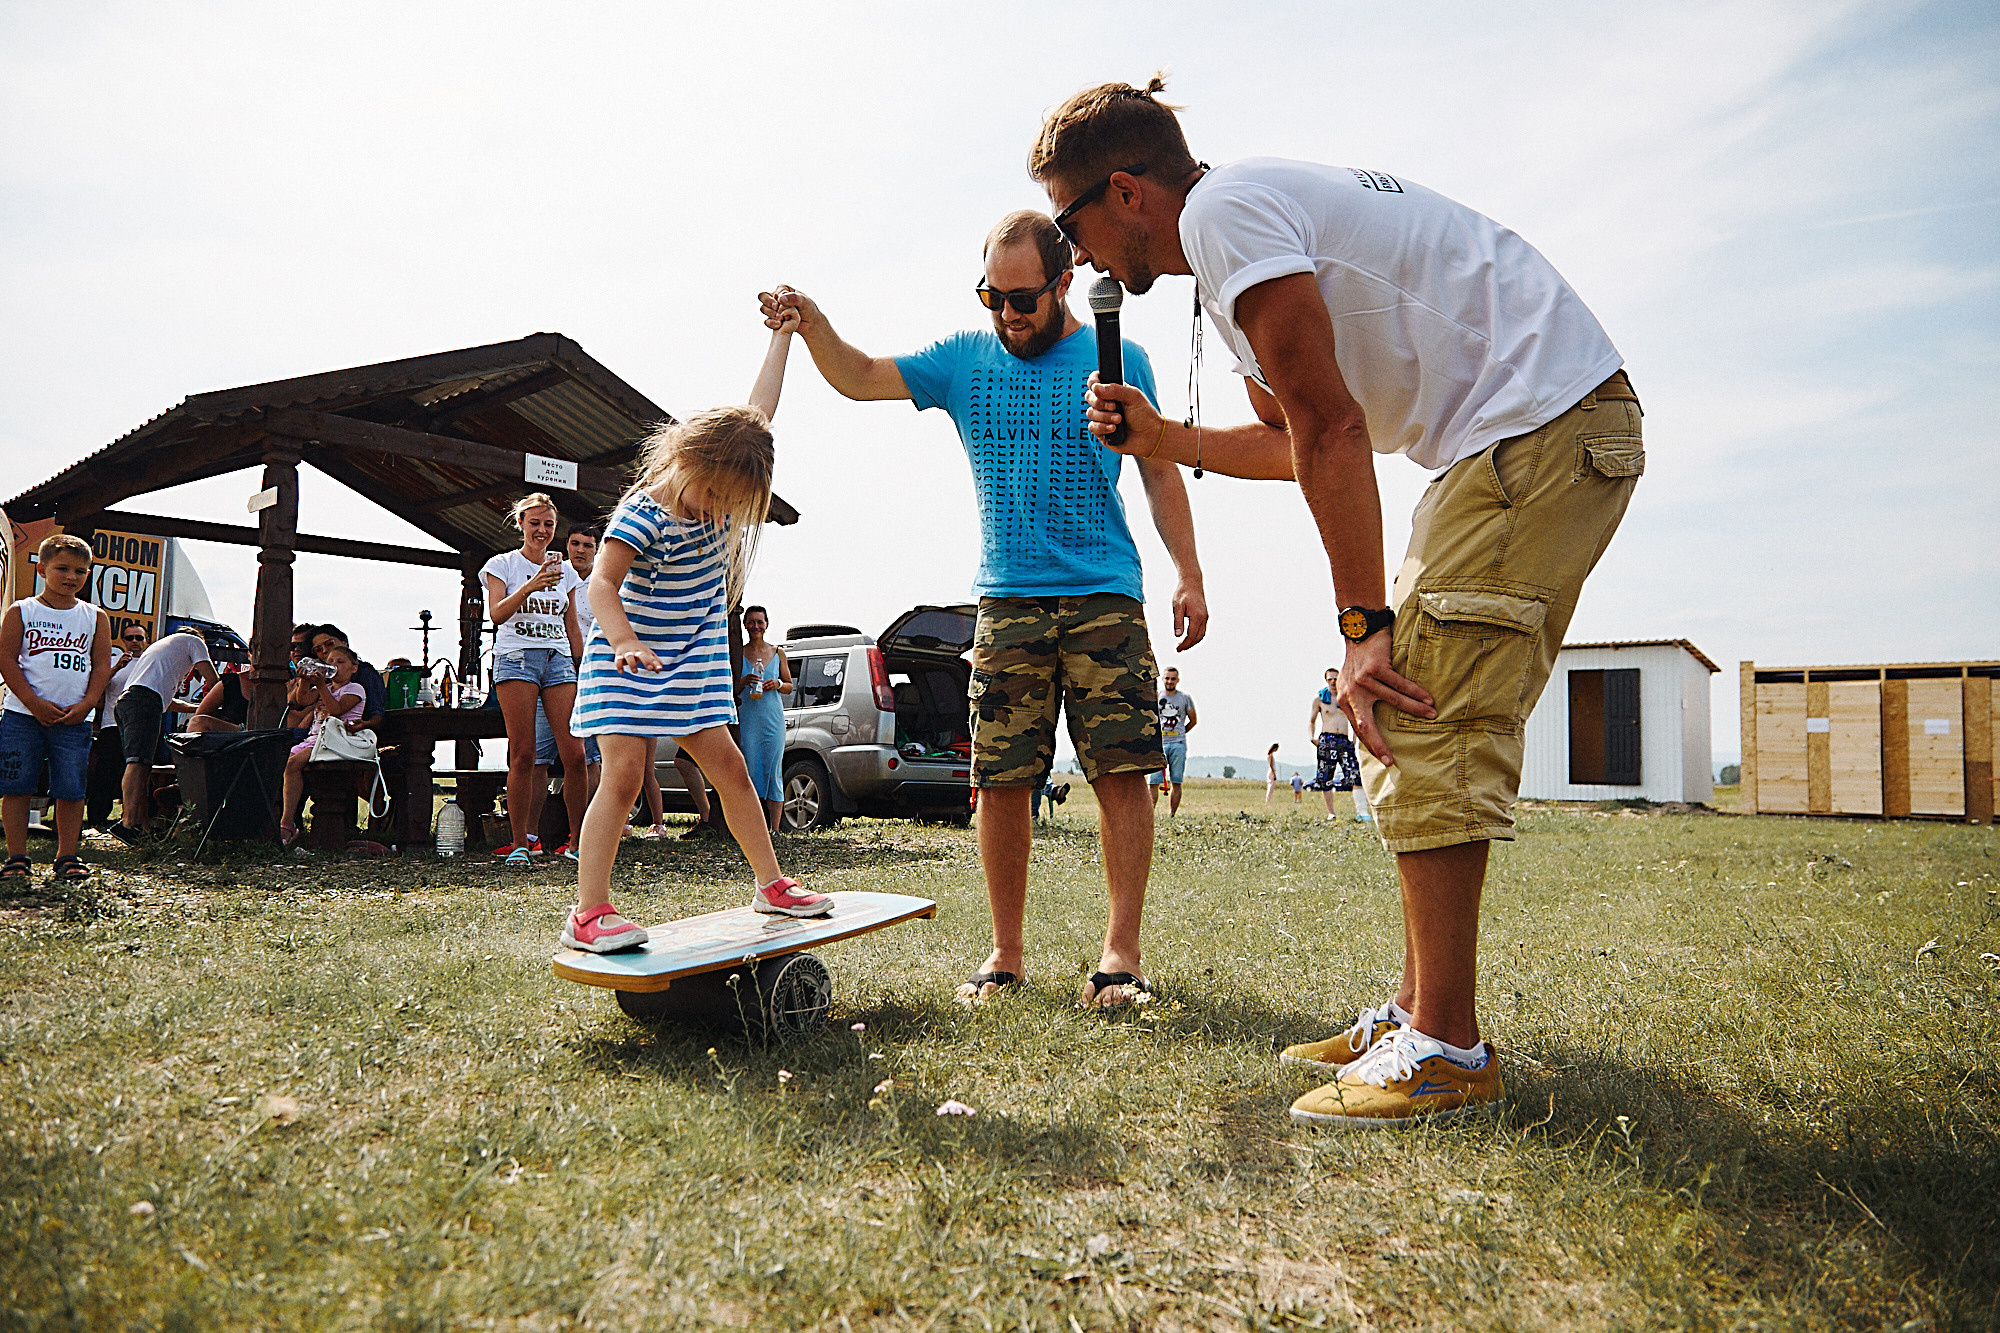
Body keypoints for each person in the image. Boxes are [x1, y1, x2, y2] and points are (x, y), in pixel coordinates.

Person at [1038, 77, 1642, 1126]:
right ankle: (1416, 1012)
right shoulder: (1231, 249)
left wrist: (1360, 627)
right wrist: (1163, 437)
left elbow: (1333, 428)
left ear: (1125, 192)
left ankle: (1445, 1047)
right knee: (1407, 708)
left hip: (1535, 425)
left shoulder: (1224, 215)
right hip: (1518, 433)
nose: (1074, 257)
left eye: (1068, 223)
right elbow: (1291, 440)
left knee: (1419, 705)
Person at [760, 208, 1208, 1009]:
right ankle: (1005, 956)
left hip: (1105, 592)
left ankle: (1121, 956)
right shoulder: (964, 360)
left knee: (1121, 771)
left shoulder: (1120, 356)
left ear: (1064, 282)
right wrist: (814, 323)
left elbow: (1159, 469)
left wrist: (1189, 572)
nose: (1007, 314)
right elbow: (860, 375)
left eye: (1022, 299)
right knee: (1000, 778)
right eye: (991, 297)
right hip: (1005, 598)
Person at [561, 308, 832, 953]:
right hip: (627, 659)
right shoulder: (645, 511)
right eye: (712, 495)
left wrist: (782, 336)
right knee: (623, 777)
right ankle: (589, 913)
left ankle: (772, 885)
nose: (719, 510)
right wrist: (624, 640)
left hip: (691, 661)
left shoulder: (727, 479)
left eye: (732, 502)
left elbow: (759, 414)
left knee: (733, 772)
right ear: (685, 459)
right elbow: (600, 584)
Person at [482, 494, 588, 866]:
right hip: (517, 657)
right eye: (535, 523)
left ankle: (578, 843)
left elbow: (571, 625)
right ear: (521, 524)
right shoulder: (502, 564)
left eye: (548, 525)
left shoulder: (566, 572)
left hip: (558, 658)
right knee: (524, 752)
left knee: (575, 754)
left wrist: (583, 665)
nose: (541, 530)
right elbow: (497, 614)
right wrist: (532, 584)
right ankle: (520, 843)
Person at [1, 534, 112, 883]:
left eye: (80, 571)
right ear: (42, 569)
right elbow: (6, 659)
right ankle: (17, 858)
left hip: (74, 717)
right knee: (17, 785)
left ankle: (67, 855)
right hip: (23, 715)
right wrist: (33, 703)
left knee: (71, 787)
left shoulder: (95, 616)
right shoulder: (22, 611)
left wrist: (88, 704)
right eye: (62, 568)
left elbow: (101, 665)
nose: (71, 577)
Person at [527, 527, 608, 842]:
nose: (580, 550)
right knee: (536, 756)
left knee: (588, 757)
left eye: (588, 545)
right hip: (550, 671)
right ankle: (529, 837)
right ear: (566, 546)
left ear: (596, 550)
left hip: (590, 674)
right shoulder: (552, 577)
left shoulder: (606, 582)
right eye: (575, 543)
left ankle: (582, 836)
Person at [108, 625, 217, 843]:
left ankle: (140, 826)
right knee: (137, 763)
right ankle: (127, 824)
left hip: (128, 702)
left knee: (141, 763)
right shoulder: (193, 641)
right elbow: (214, 681)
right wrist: (218, 704)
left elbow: (169, 702)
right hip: (143, 701)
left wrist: (197, 709)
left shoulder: (162, 650)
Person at [277, 644, 366, 845]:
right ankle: (286, 817)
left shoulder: (355, 689)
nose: (334, 666)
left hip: (336, 740)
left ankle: (287, 823)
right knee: (283, 762)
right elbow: (302, 700)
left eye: (340, 662)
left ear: (354, 668)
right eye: (330, 662)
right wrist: (304, 681)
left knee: (293, 764)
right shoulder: (325, 688)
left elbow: (336, 710)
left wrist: (322, 687)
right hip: (315, 738)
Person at [735, 604, 791, 833]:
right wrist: (743, 682)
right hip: (749, 720)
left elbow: (789, 686)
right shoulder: (738, 653)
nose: (755, 626)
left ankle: (774, 829)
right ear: (745, 625)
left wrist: (777, 683)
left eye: (760, 622)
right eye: (751, 622)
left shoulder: (777, 653)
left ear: (767, 624)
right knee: (751, 768)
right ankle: (753, 828)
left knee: (774, 771)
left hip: (772, 721)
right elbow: (730, 688)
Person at [1307, 668, 1371, 823]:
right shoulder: (1319, 698)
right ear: (1326, 680)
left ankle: (1362, 812)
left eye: (1335, 678)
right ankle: (1331, 813)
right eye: (1330, 679)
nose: (1333, 682)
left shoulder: (1346, 697)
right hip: (1327, 739)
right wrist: (1312, 737)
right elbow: (1312, 720)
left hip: (1344, 740)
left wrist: (1354, 739)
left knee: (1355, 775)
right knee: (1326, 778)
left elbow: (1354, 720)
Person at [309, 625, 385, 733]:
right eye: (318, 650)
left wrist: (365, 724)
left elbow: (377, 713)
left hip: (346, 734)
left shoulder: (364, 673)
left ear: (344, 642)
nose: (325, 651)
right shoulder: (322, 676)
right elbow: (300, 702)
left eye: (329, 644)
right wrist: (304, 680)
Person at [1149, 666, 1196, 816]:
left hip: (1178, 744)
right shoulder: (1156, 697)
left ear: (1178, 680)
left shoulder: (1184, 698)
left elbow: (1193, 720)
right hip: (1159, 744)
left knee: (1176, 781)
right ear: (1163, 679)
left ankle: (1172, 815)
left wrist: (1181, 733)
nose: (1170, 681)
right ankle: (1150, 814)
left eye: (1173, 679)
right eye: (1167, 678)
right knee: (1153, 781)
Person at [187, 664, 250, 733]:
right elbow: (200, 715)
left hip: (255, 733)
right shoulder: (231, 682)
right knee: (197, 723)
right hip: (238, 735)